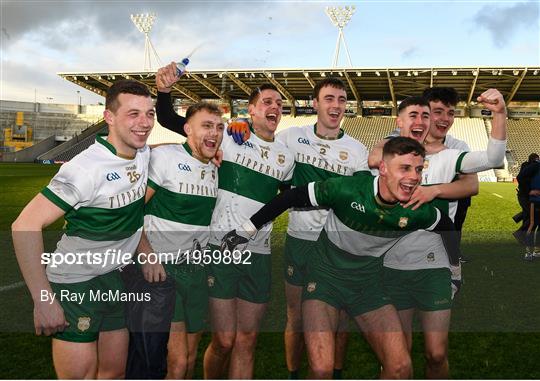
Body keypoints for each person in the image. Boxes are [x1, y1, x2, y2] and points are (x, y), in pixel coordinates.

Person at [222, 136, 463, 379]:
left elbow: (447, 227)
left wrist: (454, 270)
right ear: (383, 168)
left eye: (419, 169)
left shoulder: (417, 209)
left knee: (400, 368)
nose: (413, 177)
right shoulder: (347, 189)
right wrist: (245, 231)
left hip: (368, 284)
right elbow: (290, 197)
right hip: (326, 280)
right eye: (405, 168)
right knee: (321, 369)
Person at [11, 80, 154, 378]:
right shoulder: (85, 168)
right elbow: (25, 224)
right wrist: (43, 300)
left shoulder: (143, 154)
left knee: (113, 373)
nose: (144, 123)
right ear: (109, 118)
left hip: (113, 278)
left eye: (149, 113)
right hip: (75, 282)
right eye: (133, 114)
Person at [157, 80, 295, 379]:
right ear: (252, 109)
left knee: (247, 340)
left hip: (258, 254)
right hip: (220, 250)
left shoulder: (287, 157)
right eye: (267, 102)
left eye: (279, 104)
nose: (275, 107)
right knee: (223, 340)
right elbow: (170, 121)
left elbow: (285, 198)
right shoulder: (228, 137)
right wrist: (164, 91)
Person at [372, 91, 507, 378]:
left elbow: (490, 163)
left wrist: (499, 114)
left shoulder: (450, 153)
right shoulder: (387, 151)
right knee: (397, 359)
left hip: (435, 262)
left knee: (436, 353)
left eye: (448, 113)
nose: (439, 119)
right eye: (430, 113)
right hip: (390, 265)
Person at [273, 78, 369, 379]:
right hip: (300, 240)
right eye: (329, 98)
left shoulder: (356, 150)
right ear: (315, 103)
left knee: (340, 319)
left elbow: (362, 198)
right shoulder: (291, 136)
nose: (336, 105)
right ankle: (293, 374)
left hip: (337, 246)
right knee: (296, 316)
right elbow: (256, 143)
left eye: (341, 99)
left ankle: (335, 373)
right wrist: (238, 128)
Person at [137, 101, 224, 378]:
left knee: (189, 358)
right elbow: (132, 212)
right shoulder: (165, 157)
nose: (215, 132)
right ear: (187, 129)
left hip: (196, 271)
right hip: (164, 272)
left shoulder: (214, 167)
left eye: (219, 127)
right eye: (207, 126)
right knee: (176, 361)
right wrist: (147, 254)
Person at [422, 87, 479, 262]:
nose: (445, 119)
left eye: (451, 113)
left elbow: (471, 185)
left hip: (440, 239)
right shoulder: (401, 141)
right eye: (438, 112)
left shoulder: (458, 146)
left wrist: (432, 191)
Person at [515, 153, 540, 248]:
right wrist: (530, 190)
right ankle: (521, 236)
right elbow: (520, 177)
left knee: (529, 216)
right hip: (525, 196)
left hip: (526, 195)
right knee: (532, 219)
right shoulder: (532, 166)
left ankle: (523, 238)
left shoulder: (528, 165)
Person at [524, 158, 540, 260]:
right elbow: (521, 177)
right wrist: (528, 191)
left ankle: (537, 251)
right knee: (532, 225)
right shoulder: (535, 166)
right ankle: (528, 252)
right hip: (536, 201)